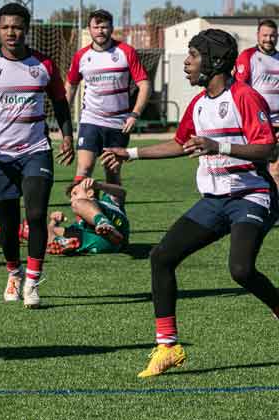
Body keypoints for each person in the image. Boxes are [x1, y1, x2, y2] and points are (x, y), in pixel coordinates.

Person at [101, 29, 279, 378]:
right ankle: (168, 347)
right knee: (161, 257)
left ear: (213, 62)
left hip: (251, 195)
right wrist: (131, 153)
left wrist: (220, 147)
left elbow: (269, 149)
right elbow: (181, 144)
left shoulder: (245, 97)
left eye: (193, 56)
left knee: (241, 270)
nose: (186, 62)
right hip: (214, 201)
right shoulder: (198, 105)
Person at [0, 2, 74, 309]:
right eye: (5, 27)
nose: (11, 32)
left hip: (36, 151)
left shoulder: (44, 65)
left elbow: (60, 103)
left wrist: (67, 135)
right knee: (9, 225)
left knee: (37, 215)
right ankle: (14, 271)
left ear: (26, 29)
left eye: (17, 27)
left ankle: (32, 282)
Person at [66, 9, 150, 195]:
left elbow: (144, 85)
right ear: (89, 29)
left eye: (104, 27)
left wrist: (135, 114)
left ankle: (116, 217)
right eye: (96, 27)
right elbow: (70, 85)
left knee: (112, 172)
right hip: (91, 121)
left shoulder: (126, 52)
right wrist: (65, 115)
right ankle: (83, 219)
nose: (100, 31)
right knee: (84, 168)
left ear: (112, 29)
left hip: (118, 123)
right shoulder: (81, 56)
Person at [234, 19, 279, 188]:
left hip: (277, 124)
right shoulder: (248, 56)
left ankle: (274, 209)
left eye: (273, 35)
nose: (269, 39)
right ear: (258, 36)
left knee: (276, 170)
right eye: (265, 35)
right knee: (255, 168)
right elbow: (239, 89)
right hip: (256, 124)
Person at [45, 178, 129, 256]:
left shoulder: (107, 201)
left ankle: (103, 222)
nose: (71, 200)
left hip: (116, 225)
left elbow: (121, 192)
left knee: (77, 203)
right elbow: (51, 230)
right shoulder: (81, 222)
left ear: (90, 192)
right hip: (100, 242)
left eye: (75, 194)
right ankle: (62, 242)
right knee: (43, 230)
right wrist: (54, 221)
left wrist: (99, 185)